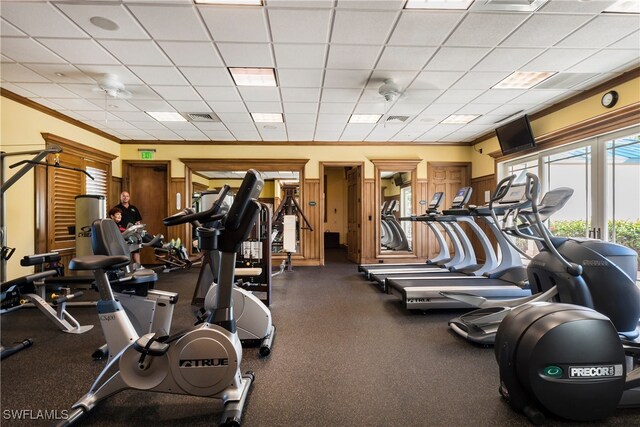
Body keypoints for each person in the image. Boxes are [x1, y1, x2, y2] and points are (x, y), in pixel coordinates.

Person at [113, 191, 143, 267]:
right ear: (120, 197)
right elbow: (114, 221)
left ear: (129, 198)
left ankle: (138, 266)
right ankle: (161, 246)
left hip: (134, 231)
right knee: (128, 248)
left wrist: (138, 227)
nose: (125, 197)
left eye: (127, 196)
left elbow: (138, 221)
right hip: (123, 233)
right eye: (123, 196)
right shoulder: (116, 208)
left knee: (140, 242)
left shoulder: (133, 208)